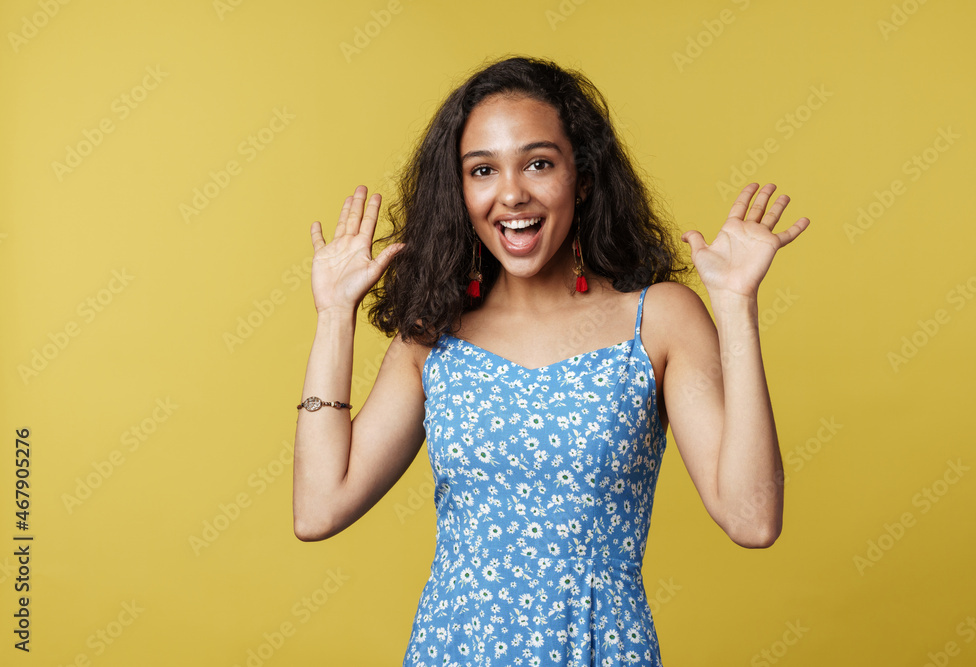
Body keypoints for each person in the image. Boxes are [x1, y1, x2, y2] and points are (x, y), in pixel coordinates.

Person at [292, 56, 809, 667]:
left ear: (582, 178)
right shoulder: (434, 340)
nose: (512, 193)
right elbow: (318, 508)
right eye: (482, 170)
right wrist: (333, 317)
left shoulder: (658, 320)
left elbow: (753, 520)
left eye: (538, 163)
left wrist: (736, 309)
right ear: (459, 192)